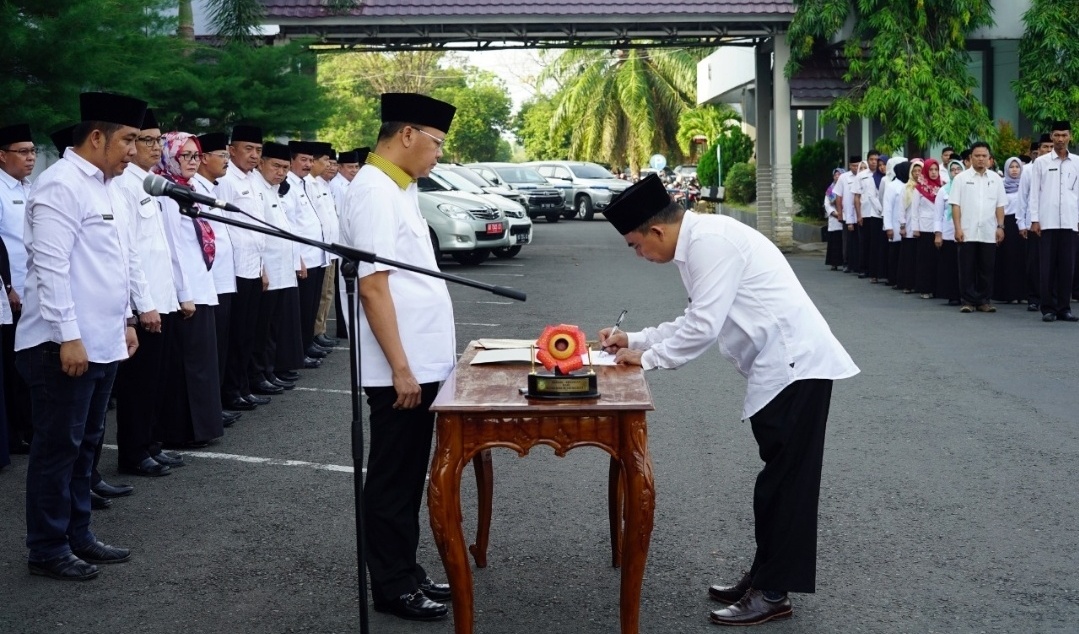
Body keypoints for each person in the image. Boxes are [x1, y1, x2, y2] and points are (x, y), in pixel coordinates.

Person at [597, 174, 858, 627]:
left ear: (656, 230)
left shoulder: (708, 243)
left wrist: (648, 358)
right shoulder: (697, 242)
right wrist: (634, 339)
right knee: (778, 483)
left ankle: (773, 592)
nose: (640, 255)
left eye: (636, 246)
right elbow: (695, 317)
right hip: (781, 368)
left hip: (795, 365)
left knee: (785, 486)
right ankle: (765, 576)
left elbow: (703, 326)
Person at [17, 91, 146, 580]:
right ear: (97, 137)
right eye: (128, 139)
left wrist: (127, 320)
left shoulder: (108, 186)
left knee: (86, 445)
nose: (133, 150)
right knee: (58, 450)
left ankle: (78, 533)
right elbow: (51, 268)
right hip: (61, 345)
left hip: (103, 340)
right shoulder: (60, 185)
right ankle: (47, 547)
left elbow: (114, 262)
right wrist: (68, 336)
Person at [339, 92, 458, 622]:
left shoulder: (399, 187)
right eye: (436, 142)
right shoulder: (373, 191)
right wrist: (401, 369)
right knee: (392, 478)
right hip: (400, 370)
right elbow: (373, 287)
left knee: (409, 476)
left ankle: (405, 570)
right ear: (406, 134)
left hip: (419, 363)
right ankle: (391, 586)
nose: (439, 154)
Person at [110, 108, 187, 478]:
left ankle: (152, 444)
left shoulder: (152, 182)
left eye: (158, 140)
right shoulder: (124, 184)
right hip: (146, 303)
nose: (155, 147)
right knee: (138, 383)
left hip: (162, 297)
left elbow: (160, 248)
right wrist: (143, 305)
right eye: (145, 140)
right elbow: (131, 253)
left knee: (159, 379)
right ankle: (134, 452)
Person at [154, 131, 224, 448]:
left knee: (202, 362)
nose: (193, 161)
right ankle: (182, 432)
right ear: (169, 156)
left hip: (201, 284)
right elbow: (172, 248)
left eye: (196, 155)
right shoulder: (167, 193)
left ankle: (203, 428)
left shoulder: (188, 188)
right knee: (187, 365)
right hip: (186, 291)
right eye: (186, 155)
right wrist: (184, 293)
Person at [217, 124, 274, 410]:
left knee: (249, 333)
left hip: (253, 266)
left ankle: (242, 386)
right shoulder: (226, 179)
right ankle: (230, 392)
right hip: (235, 268)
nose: (254, 155)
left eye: (258, 150)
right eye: (248, 149)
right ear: (232, 150)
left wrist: (262, 267)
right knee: (236, 335)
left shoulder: (254, 180)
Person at [194, 132, 243, 426]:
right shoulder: (195, 189)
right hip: (209, 283)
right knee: (210, 350)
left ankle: (218, 403)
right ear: (204, 158)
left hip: (224, 280)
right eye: (222, 155)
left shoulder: (213, 188)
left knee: (222, 345)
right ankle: (213, 405)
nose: (226, 161)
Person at [249, 142, 305, 393]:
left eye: (285, 167)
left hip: (282, 270)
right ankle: (257, 375)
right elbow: (257, 234)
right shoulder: (257, 189)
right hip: (267, 271)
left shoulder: (274, 189)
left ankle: (268, 371)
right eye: (276, 166)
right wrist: (262, 268)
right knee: (261, 328)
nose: (280, 172)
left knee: (274, 326)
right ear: (261, 163)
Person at [0, 123, 35, 455]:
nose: (30, 157)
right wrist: (8, 285)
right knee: (14, 366)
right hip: (12, 293)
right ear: (2, 155)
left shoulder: (30, 188)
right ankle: (17, 431)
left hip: (34, 290)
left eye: (33, 151)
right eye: (23, 151)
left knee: (30, 363)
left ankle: (29, 425)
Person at [282, 141, 329, 362]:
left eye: (311, 160)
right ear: (291, 160)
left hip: (316, 255)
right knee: (301, 309)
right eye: (303, 159)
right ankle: (299, 350)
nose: (308, 164)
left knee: (311, 306)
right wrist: (297, 257)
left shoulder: (305, 184)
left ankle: (308, 343)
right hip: (304, 258)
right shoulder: (287, 185)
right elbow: (290, 225)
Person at [1028, 120, 1079, 322]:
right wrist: (1034, 219)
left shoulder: (1077, 162)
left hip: (1070, 222)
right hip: (1047, 222)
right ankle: (1048, 308)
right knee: (1047, 268)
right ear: (1051, 136)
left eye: (1064, 135)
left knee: (1067, 267)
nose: (1060, 139)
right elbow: (1034, 193)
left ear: (1070, 137)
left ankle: (1064, 308)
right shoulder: (1041, 162)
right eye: (1056, 135)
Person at [951, 142, 1007, 313]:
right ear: (971, 157)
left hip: (989, 230)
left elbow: (1000, 205)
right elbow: (955, 205)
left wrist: (1000, 226)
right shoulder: (961, 178)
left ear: (989, 158)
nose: (981, 159)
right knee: (966, 268)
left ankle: (984, 300)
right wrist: (958, 228)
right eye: (977, 156)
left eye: (984, 156)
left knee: (986, 268)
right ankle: (967, 301)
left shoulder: (996, 179)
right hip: (967, 230)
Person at [1018, 134, 1053, 312]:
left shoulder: (1060, 166)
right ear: (1038, 149)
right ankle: (1034, 298)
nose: (1048, 150)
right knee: (1034, 262)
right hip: (1033, 223)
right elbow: (1022, 197)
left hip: (1054, 222)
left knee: (1053, 262)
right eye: (1045, 147)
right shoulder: (1028, 170)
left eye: (1051, 147)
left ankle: (1052, 298)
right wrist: (1021, 223)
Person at [993, 157, 1026, 304]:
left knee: (1022, 259)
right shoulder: (1001, 186)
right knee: (1008, 259)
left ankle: (1023, 294)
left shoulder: (1025, 186)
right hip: (1006, 224)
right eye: (1011, 167)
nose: (1014, 170)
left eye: (1017, 167)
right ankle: (1009, 293)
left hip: (1021, 225)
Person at [933, 160, 965, 305]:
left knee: (965, 265)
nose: (956, 172)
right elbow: (938, 214)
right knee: (951, 265)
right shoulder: (943, 190)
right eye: (953, 170)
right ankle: (953, 295)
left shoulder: (969, 189)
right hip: (948, 232)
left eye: (959, 169)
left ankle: (967, 295)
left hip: (966, 232)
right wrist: (938, 234)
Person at [912, 159, 942, 299]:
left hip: (939, 228)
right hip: (924, 227)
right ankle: (925, 288)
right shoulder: (919, 189)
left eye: (936, 170)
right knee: (925, 259)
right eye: (931, 170)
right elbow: (914, 210)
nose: (934, 172)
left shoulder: (942, 187)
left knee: (938, 259)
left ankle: (937, 288)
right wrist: (915, 228)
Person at [856, 151, 885, 282]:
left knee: (876, 243)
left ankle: (876, 270)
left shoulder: (883, 176)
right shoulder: (862, 175)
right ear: (867, 160)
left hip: (878, 215)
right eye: (871, 159)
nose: (874, 162)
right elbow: (857, 197)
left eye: (876, 160)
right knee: (865, 242)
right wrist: (858, 215)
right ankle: (864, 268)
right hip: (865, 213)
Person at [881, 157, 909, 288]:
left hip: (907, 225)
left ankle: (903, 279)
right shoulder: (892, 186)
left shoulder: (909, 185)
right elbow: (887, 208)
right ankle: (893, 278)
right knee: (894, 253)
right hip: (894, 225)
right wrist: (888, 227)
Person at [897, 159, 923, 294]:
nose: (917, 173)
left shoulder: (926, 187)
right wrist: (902, 226)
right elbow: (901, 208)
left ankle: (919, 284)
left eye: (920, 171)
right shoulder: (906, 188)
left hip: (922, 226)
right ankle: (907, 284)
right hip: (908, 226)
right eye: (915, 171)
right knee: (909, 257)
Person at [833, 156, 861, 274]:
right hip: (847, 213)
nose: (856, 168)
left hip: (860, 214)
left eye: (858, 165)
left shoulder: (863, 176)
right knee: (848, 240)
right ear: (849, 166)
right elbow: (838, 196)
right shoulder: (844, 177)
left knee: (859, 241)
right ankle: (846, 262)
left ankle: (857, 264)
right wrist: (840, 213)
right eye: (853, 165)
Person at [824, 168, 845, 270]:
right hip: (834, 219)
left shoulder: (846, 188)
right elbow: (827, 204)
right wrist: (834, 213)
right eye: (835, 175)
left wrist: (843, 214)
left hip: (845, 217)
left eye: (839, 174)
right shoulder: (830, 190)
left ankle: (845, 263)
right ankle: (834, 263)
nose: (837, 176)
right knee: (834, 242)